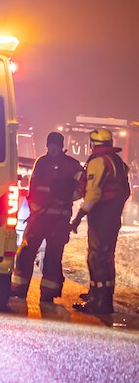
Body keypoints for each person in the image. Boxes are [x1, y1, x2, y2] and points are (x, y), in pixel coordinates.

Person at [10, 132, 84, 302]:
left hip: (59, 219)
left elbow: (83, 186)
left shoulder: (72, 165)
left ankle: (49, 294)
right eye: (50, 145)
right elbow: (33, 187)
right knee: (26, 252)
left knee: (53, 256)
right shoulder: (41, 162)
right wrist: (33, 205)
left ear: (61, 146)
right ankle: (19, 288)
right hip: (39, 217)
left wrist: (68, 196)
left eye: (56, 145)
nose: (53, 148)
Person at [71, 128, 132, 314]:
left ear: (92, 143)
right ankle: (100, 296)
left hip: (101, 215)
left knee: (97, 257)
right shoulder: (118, 162)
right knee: (106, 257)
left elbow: (94, 192)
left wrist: (79, 215)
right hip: (112, 215)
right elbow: (124, 191)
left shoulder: (98, 162)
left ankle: (100, 303)